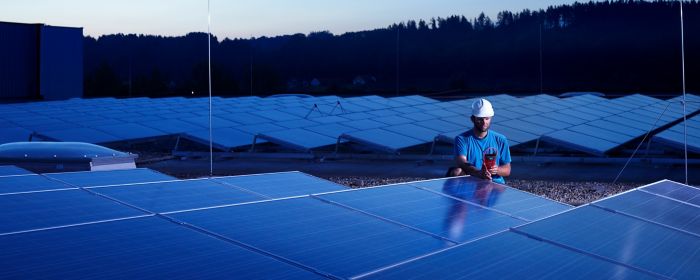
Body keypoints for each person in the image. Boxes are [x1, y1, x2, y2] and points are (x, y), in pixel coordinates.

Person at [447, 98, 511, 184]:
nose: (484, 122)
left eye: (487, 118)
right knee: (456, 171)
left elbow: (507, 170)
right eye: (480, 119)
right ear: (473, 119)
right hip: (473, 181)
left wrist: (496, 170)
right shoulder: (462, 139)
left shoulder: (501, 139)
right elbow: (462, 162)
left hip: (495, 183)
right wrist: (479, 173)